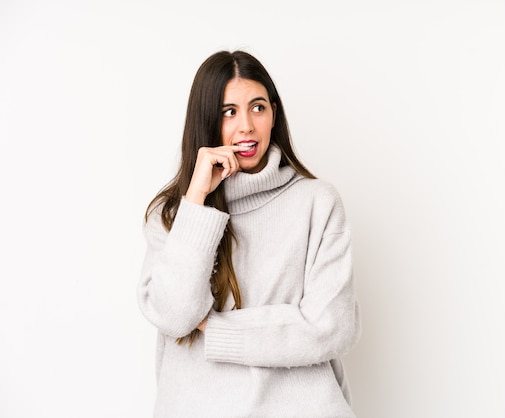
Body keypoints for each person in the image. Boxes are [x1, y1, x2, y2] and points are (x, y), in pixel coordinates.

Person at [137, 50, 361, 418]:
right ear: (206, 120)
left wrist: (217, 330)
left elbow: (332, 327)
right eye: (229, 112)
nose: (246, 126)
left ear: (274, 113)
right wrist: (197, 202)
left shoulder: (317, 202)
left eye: (258, 108)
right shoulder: (173, 214)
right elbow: (175, 316)